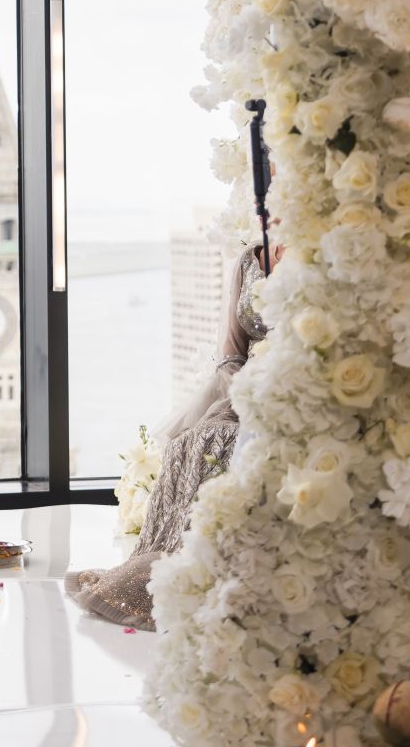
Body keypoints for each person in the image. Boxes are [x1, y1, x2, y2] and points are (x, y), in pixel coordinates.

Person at [63, 239, 276, 630]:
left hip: (289, 396)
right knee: (195, 441)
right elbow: (232, 354)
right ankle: (175, 566)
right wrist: (244, 394)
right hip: (242, 394)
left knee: (229, 446)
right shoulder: (250, 260)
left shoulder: (314, 257)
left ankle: (215, 576)